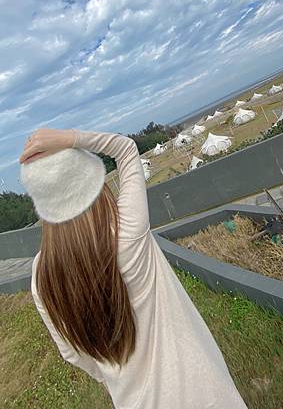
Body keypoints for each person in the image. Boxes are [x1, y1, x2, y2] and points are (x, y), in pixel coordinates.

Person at [20, 127, 247, 409]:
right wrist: (69, 139)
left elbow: (73, 355)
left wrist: (112, 373)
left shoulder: (40, 275)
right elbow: (126, 150)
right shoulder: (127, 231)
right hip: (204, 391)